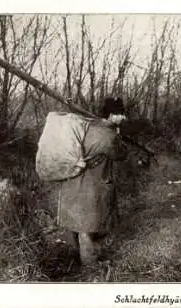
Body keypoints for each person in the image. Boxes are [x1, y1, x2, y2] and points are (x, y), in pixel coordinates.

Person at [55, 112, 128, 265]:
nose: (124, 118)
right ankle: (90, 268)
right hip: (91, 188)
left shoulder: (83, 126)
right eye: (121, 114)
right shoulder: (108, 135)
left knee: (73, 225)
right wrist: (118, 135)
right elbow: (121, 154)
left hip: (69, 185)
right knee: (87, 228)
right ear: (112, 115)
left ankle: (71, 262)